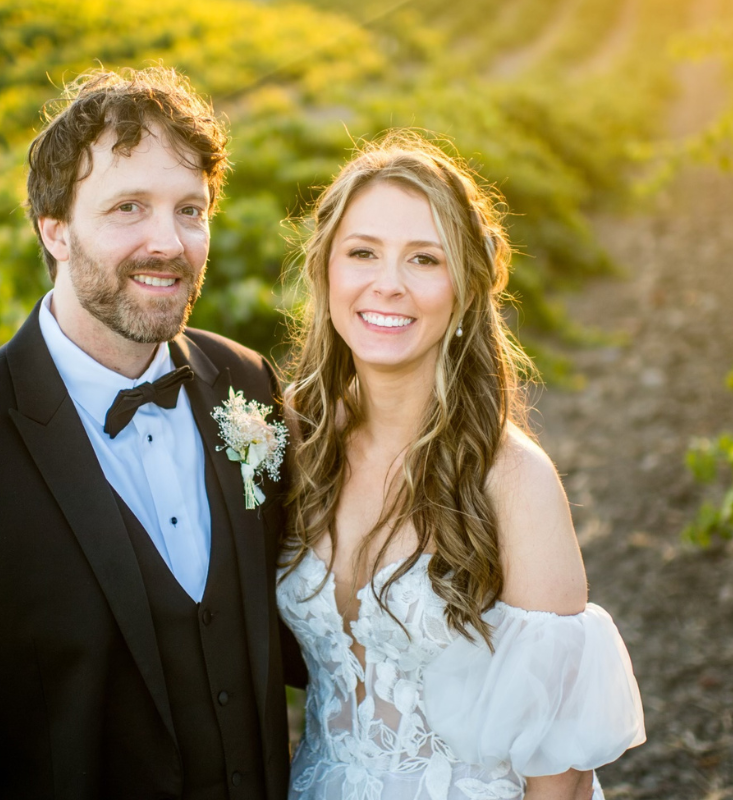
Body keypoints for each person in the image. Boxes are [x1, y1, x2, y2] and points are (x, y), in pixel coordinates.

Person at [0, 67, 297, 799]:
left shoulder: (246, 384)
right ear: (53, 229)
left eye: (191, 210)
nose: (170, 242)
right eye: (129, 207)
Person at [276, 132, 645, 800]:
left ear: (466, 288)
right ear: (327, 268)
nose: (387, 284)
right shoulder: (293, 439)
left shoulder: (514, 482)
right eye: (363, 253)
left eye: (423, 259)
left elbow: (558, 767)